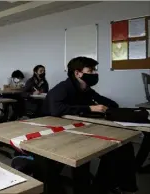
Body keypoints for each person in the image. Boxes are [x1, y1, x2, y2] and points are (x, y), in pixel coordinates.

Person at [43, 56, 137, 193]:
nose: (94, 73)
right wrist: (89, 108)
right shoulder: (62, 88)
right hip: (54, 131)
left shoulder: (86, 89)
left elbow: (110, 103)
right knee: (86, 155)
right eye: (91, 70)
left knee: (123, 146)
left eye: (94, 70)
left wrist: (108, 107)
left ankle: (105, 186)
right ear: (77, 73)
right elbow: (56, 110)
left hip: (76, 127)